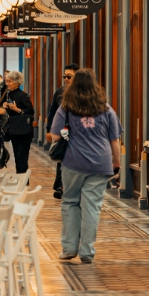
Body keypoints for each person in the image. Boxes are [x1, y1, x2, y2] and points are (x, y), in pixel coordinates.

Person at [48, 69, 122, 265]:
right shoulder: (106, 108)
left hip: (73, 162)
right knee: (92, 207)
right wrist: (117, 162)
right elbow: (114, 139)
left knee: (70, 202)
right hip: (100, 163)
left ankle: (69, 248)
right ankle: (87, 251)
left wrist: (70, 133)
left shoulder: (66, 106)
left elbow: (55, 135)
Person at [47, 65, 76, 198]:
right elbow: (52, 112)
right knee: (62, 157)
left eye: (69, 76)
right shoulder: (59, 92)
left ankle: (69, 186)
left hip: (78, 133)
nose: (66, 79)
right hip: (63, 131)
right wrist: (49, 130)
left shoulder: (83, 93)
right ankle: (61, 186)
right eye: (64, 76)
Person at [0, 71, 36, 174]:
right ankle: (20, 178)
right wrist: (5, 107)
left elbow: (30, 111)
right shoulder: (9, 94)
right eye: (7, 81)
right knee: (17, 157)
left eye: (10, 81)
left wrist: (17, 109)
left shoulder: (22, 95)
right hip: (15, 130)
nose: (7, 84)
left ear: (17, 83)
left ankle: (23, 180)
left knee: (21, 158)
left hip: (24, 131)